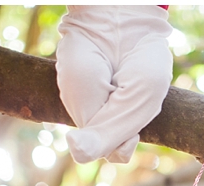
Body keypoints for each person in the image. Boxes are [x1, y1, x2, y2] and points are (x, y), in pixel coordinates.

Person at [56, 5, 173, 164]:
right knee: (79, 72)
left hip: (148, 27)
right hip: (85, 25)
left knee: (153, 76)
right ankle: (116, 142)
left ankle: (101, 139)